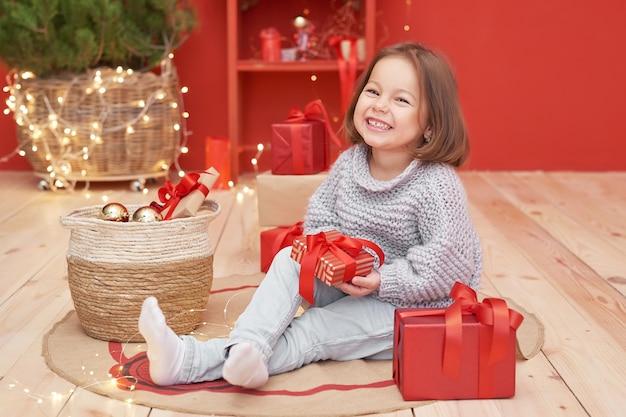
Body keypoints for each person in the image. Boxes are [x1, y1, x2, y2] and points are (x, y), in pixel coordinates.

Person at [138, 41, 483, 388]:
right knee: (289, 257)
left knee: (315, 329)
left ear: (431, 126)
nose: (380, 105)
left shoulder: (436, 186)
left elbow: (448, 267)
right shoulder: (351, 163)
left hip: (413, 305)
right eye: (373, 91)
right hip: (352, 280)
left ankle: (189, 361)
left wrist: (383, 280)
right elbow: (321, 218)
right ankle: (250, 346)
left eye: (401, 100)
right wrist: (330, 257)